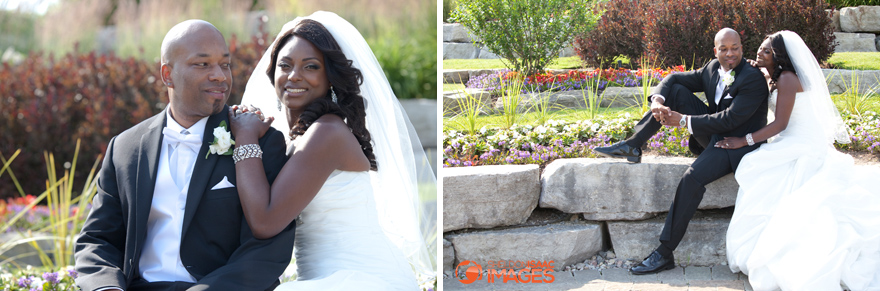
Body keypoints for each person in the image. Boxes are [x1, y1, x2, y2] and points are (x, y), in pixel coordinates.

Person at [73, 20, 295, 291]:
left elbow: (267, 251)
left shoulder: (259, 141)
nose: (220, 76)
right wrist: (106, 288)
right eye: (203, 65)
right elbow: (98, 240)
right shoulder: (125, 148)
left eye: (224, 64)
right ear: (168, 74)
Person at [231, 11, 435, 290]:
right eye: (285, 65)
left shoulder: (327, 133)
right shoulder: (297, 135)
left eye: (311, 67)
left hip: (361, 278)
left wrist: (245, 137)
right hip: (320, 278)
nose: (294, 76)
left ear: (331, 77)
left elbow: (265, 222)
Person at [592, 28, 770, 275]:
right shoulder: (711, 68)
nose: (731, 54)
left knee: (691, 179)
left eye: (736, 48)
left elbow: (730, 120)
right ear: (715, 50)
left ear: (742, 47)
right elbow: (674, 78)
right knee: (675, 92)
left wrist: (684, 121)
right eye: (724, 49)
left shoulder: (752, 79)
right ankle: (634, 144)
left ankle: (664, 253)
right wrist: (657, 100)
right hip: (714, 134)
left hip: (737, 145)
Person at [718, 31, 880, 291]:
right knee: (759, 165)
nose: (760, 53)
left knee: (756, 164)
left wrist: (744, 140)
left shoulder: (788, 79)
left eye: (767, 51)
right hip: (791, 139)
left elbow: (780, 124)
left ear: (780, 56)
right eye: (760, 48)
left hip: (803, 143)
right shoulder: (776, 76)